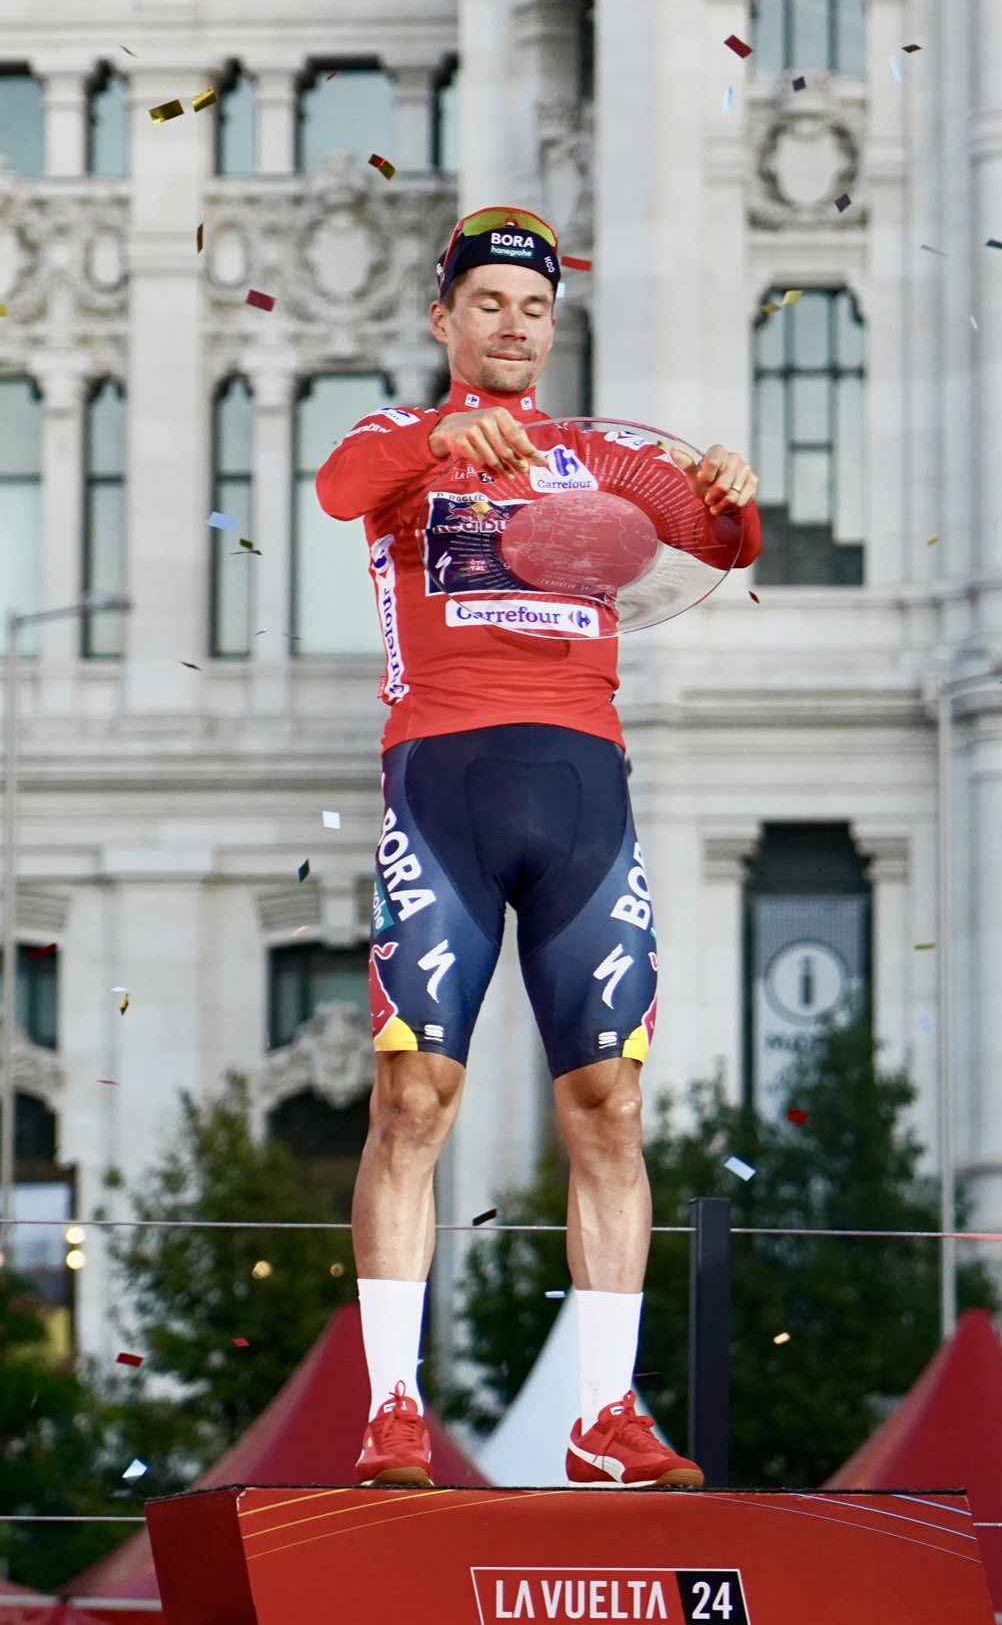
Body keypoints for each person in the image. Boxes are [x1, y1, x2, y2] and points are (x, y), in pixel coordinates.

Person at [315, 206, 761, 1490]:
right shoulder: (394, 442)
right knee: (413, 1100)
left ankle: (604, 1414)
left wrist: (732, 494)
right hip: (441, 789)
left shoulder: (604, 453)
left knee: (610, 1111)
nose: (513, 327)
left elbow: (721, 541)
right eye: (488, 305)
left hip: (585, 798)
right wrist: (439, 436)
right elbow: (342, 491)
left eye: (533, 309)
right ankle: (391, 1406)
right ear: (443, 319)